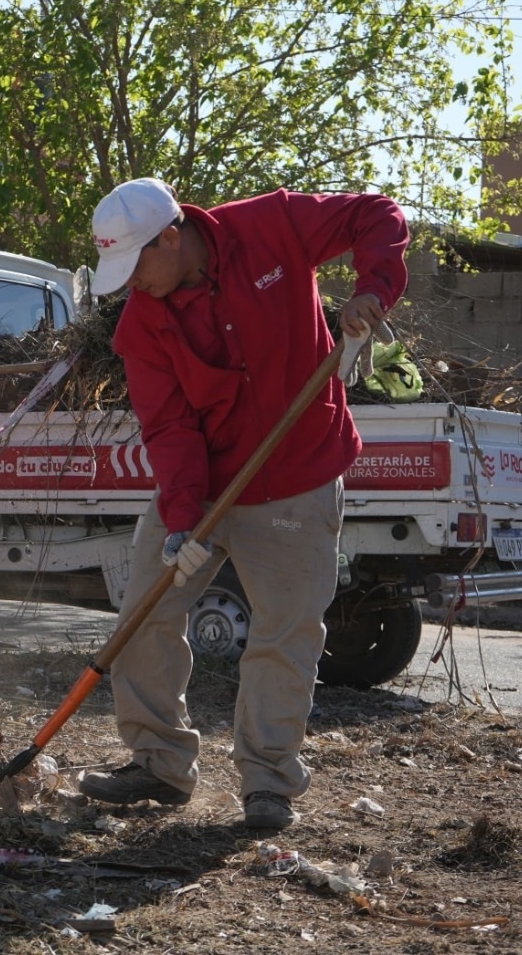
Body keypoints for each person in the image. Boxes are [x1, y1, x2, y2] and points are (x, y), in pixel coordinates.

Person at [82, 178, 408, 829]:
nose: (129, 285)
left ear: (171, 238)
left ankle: (267, 783)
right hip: (203, 488)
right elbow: (169, 429)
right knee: (144, 614)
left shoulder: (274, 226)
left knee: (284, 633)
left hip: (299, 473)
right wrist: (181, 520)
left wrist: (372, 290)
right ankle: (159, 764)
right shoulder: (141, 325)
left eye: (134, 265)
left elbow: (377, 214)